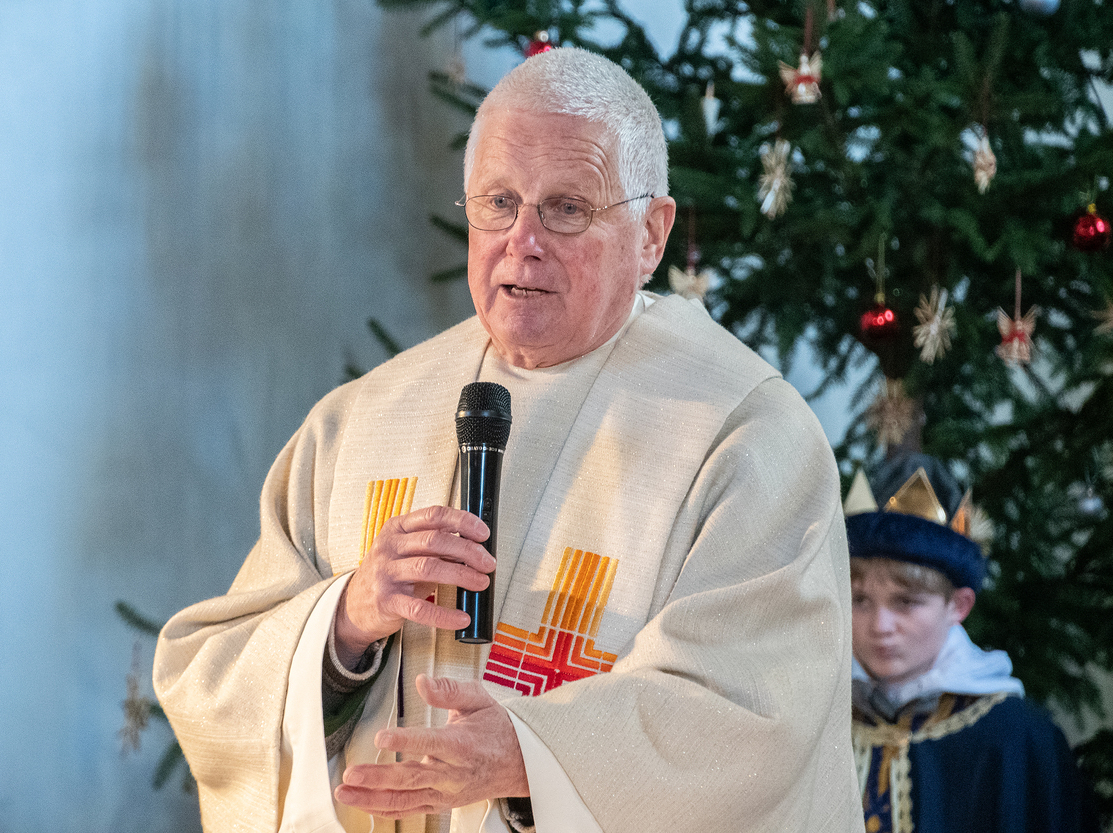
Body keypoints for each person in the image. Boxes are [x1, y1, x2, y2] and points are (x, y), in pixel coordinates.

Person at [153, 46, 861, 833]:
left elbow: (752, 715)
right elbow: (214, 677)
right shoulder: (362, 418)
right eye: (498, 202)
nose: (523, 240)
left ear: (652, 234)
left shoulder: (745, 436)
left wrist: (535, 758)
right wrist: (345, 620)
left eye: (567, 208)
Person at [844, 454, 1099, 833]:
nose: (880, 626)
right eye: (859, 600)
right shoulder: (823, 718)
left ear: (958, 606)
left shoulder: (1018, 740)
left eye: (906, 602)